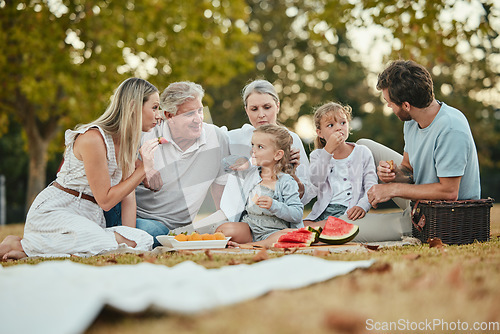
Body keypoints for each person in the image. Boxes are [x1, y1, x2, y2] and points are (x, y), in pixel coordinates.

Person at [0, 77, 160, 260]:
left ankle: (30, 250)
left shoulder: (127, 143)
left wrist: (130, 240)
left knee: (142, 240)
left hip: (89, 218)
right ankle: (21, 245)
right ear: (133, 106)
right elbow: (106, 201)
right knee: (101, 241)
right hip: (57, 211)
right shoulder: (93, 138)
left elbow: (128, 198)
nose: (158, 114)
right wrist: (143, 170)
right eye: (154, 107)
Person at [354, 59, 480, 242]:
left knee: (348, 227)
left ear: (406, 105)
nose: (388, 106)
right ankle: (348, 206)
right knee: (363, 146)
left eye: (389, 102)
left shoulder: (451, 129)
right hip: (419, 200)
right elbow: (408, 169)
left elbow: (449, 192)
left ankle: (345, 219)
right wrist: (394, 174)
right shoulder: (412, 121)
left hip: (440, 215)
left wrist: (391, 189)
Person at [106, 81, 230, 248]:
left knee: (153, 232)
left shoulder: (217, 138)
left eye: (200, 110)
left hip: (168, 227)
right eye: (189, 114)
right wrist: (142, 168)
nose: (198, 119)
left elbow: (220, 190)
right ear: (169, 116)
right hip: (128, 214)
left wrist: (222, 229)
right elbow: (112, 154)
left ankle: (105, 235)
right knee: (146, 232)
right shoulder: (147, 132)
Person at [220, 79, 314, 225]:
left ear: (277, 106)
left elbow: (305, 197)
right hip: (245, 219)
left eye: (267, 107)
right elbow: (221, 163)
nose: (261, 114)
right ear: (246, 110)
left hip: (281, 219)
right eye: (254, 109)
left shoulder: (291, 140)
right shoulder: (235, 137)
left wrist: (293, 174)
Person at [216, 124, 304, 246]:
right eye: (252, 145)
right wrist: (244, 162)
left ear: (277, 155)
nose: (253, 150)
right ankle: (253, 243)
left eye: (260, 147)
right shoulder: (250, 173)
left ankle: (248, 246)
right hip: (249, 229)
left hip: (274, 232)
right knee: (223, 229)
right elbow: (225, 165)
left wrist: (274, 205)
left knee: (285, 235)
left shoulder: (286, 182)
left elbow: (297, 214)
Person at [302, 102, 378, 227]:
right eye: (330, 125)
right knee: (298, 225)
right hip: (323, 212)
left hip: (348, 212)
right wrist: (327, 151)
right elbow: (315, 182)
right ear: (320, 133)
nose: (338, 128)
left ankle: (321, 228)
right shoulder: (317, 155)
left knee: (315, 228)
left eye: (343, 123)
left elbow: (371, 185)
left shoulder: (362, 152)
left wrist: (362, 206)